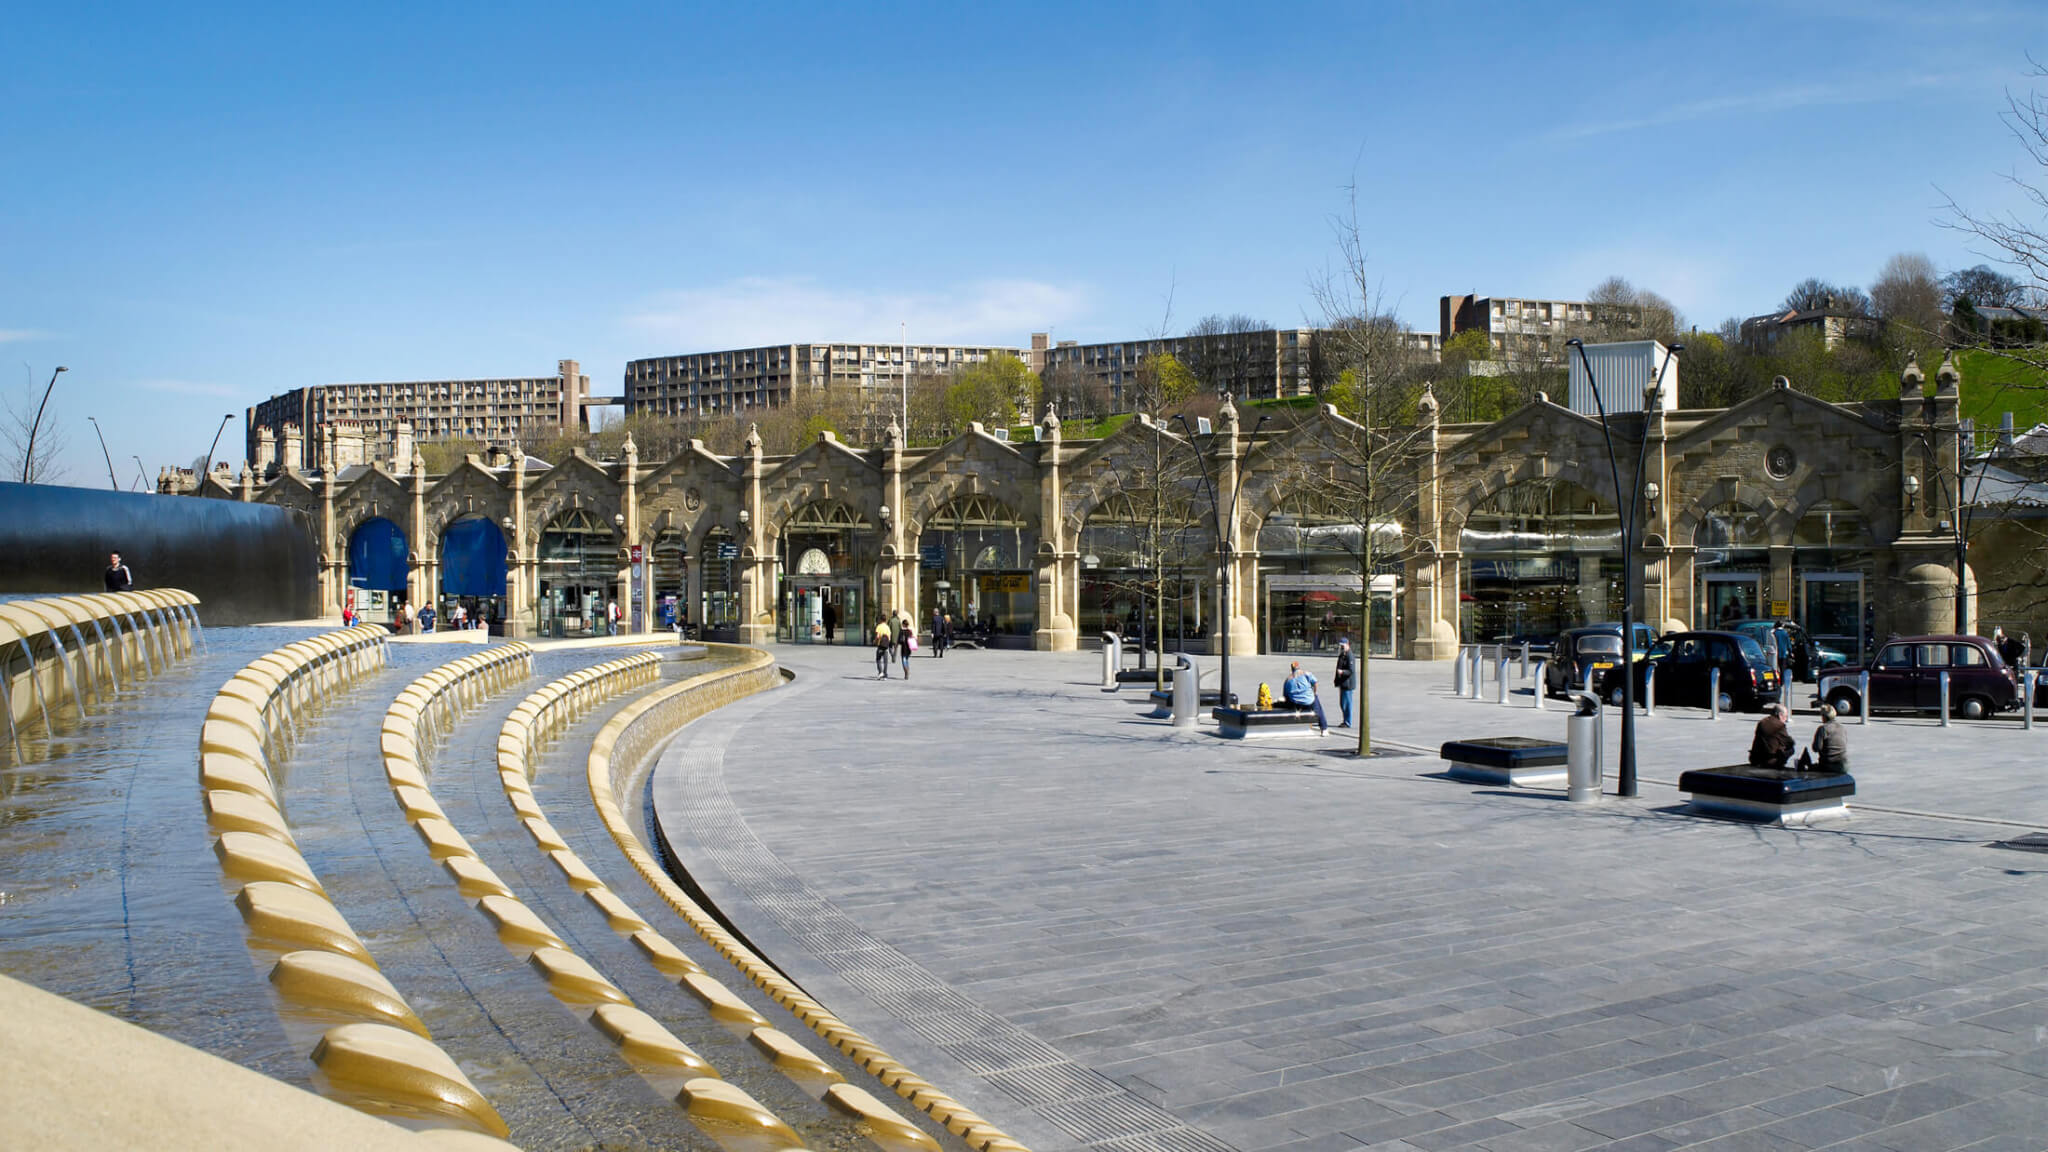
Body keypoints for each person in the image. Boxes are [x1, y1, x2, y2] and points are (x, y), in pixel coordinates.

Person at [1797, 703, 1850, 773]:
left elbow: (1816, 748)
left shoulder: (1823, 729)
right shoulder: (1842, 728)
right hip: (1844, 765)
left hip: (1828, 765)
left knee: (1807, 766)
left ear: (1824, 717)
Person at [1281, 660, 1328, 736]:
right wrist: (1314, 693)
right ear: (1299, 667)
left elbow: (1285, 695)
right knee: (1318, 707)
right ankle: (1324, 728)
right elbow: (1315, 682)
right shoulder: (1306, 673)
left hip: (1296, 703)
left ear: (1292, 669)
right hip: (1309, 701)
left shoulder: (1288, 679)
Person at [1748, 703, 1795, 770]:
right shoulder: (1779, 726)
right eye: (1785, 716)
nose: (1785, 719)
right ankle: (1780, 766)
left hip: (1755, 758)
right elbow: (1788, 742)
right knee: (1791, 749)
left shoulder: (1762, 722)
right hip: (1770, 761)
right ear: (1780, 715)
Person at [1333, 638, 1355, 729]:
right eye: (1341, 645)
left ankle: (1348, 722)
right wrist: (1336, 680)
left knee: (1347, 703)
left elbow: (1351, 671)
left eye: (1343, 645)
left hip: (1347, 684)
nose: (1341, 647)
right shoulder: (1342, 655)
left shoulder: (1350, 655)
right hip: (1342, 683)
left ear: (1347, 644)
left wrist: (1342, 672)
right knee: (1342, 703)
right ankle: (1345, 720)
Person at [897, 614, 916, 679]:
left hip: (903, 648)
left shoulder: (901, 631)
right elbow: (912, 639)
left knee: (904, 660)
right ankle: (907, 669)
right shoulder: (909, 631)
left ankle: (906, 671)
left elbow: (899, 641)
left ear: (903, 624)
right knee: (906, 659)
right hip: (908, 649)